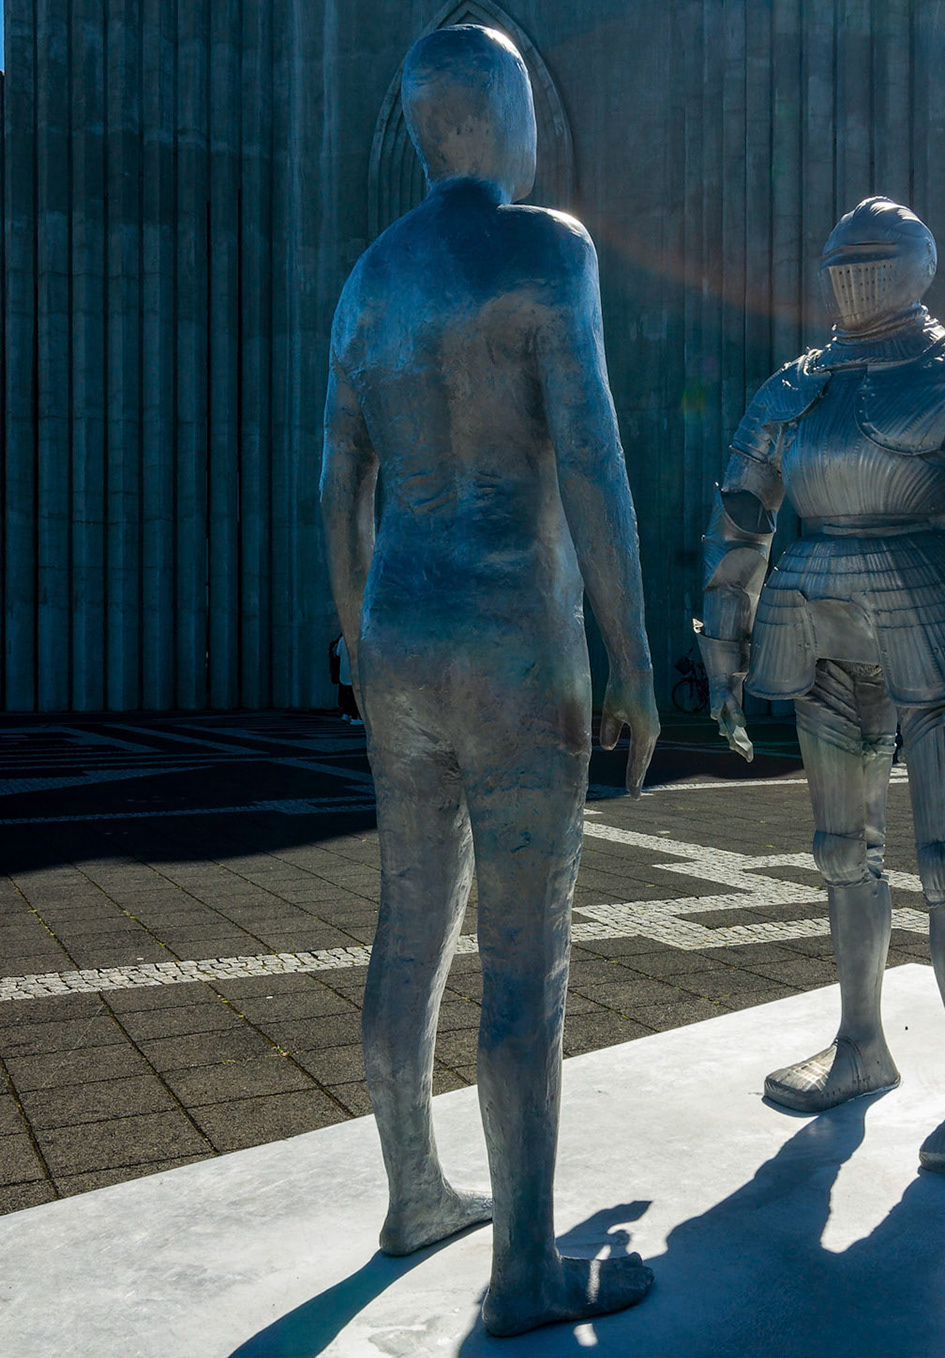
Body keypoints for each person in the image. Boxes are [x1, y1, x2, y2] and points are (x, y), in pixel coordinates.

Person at [319, 24, 658, 1337]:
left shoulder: (366, 284)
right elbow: (593, 456)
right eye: (519, 109)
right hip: (516, 629)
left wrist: (359, 644)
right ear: (477, 123)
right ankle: (524, 1270)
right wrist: (633, 655)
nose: (533, 135)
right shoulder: (546, 247)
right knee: (528, 950)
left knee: (409, 919)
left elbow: (336, 486)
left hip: (400, 633)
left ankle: (414, 1193)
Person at [696, 196, 945, 1181]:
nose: (856, 276)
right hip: (815, 615)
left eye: (876, 258)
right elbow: (743, 514)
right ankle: (861, 1040)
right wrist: (725, 635)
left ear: (920, 264)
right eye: (841, 260)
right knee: (840, 848)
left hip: (935, 620)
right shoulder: (796, 382)